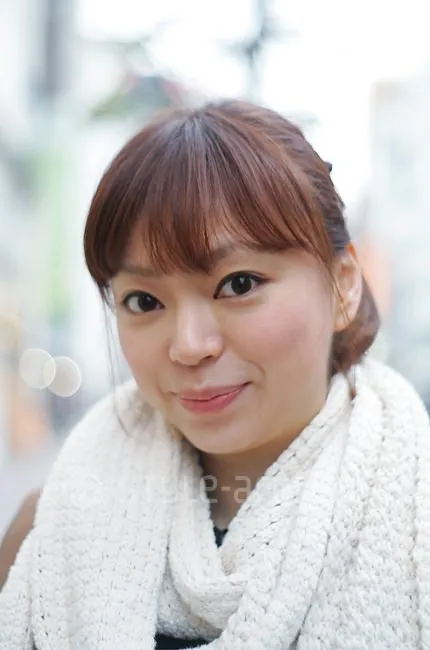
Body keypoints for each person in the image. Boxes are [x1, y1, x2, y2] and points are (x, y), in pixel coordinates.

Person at [1, 100, 429, 650]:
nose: (188, 346)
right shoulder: (47, 534)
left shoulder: (414, 528)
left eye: (239, 284)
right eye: (144, 300)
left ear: (343, 284)